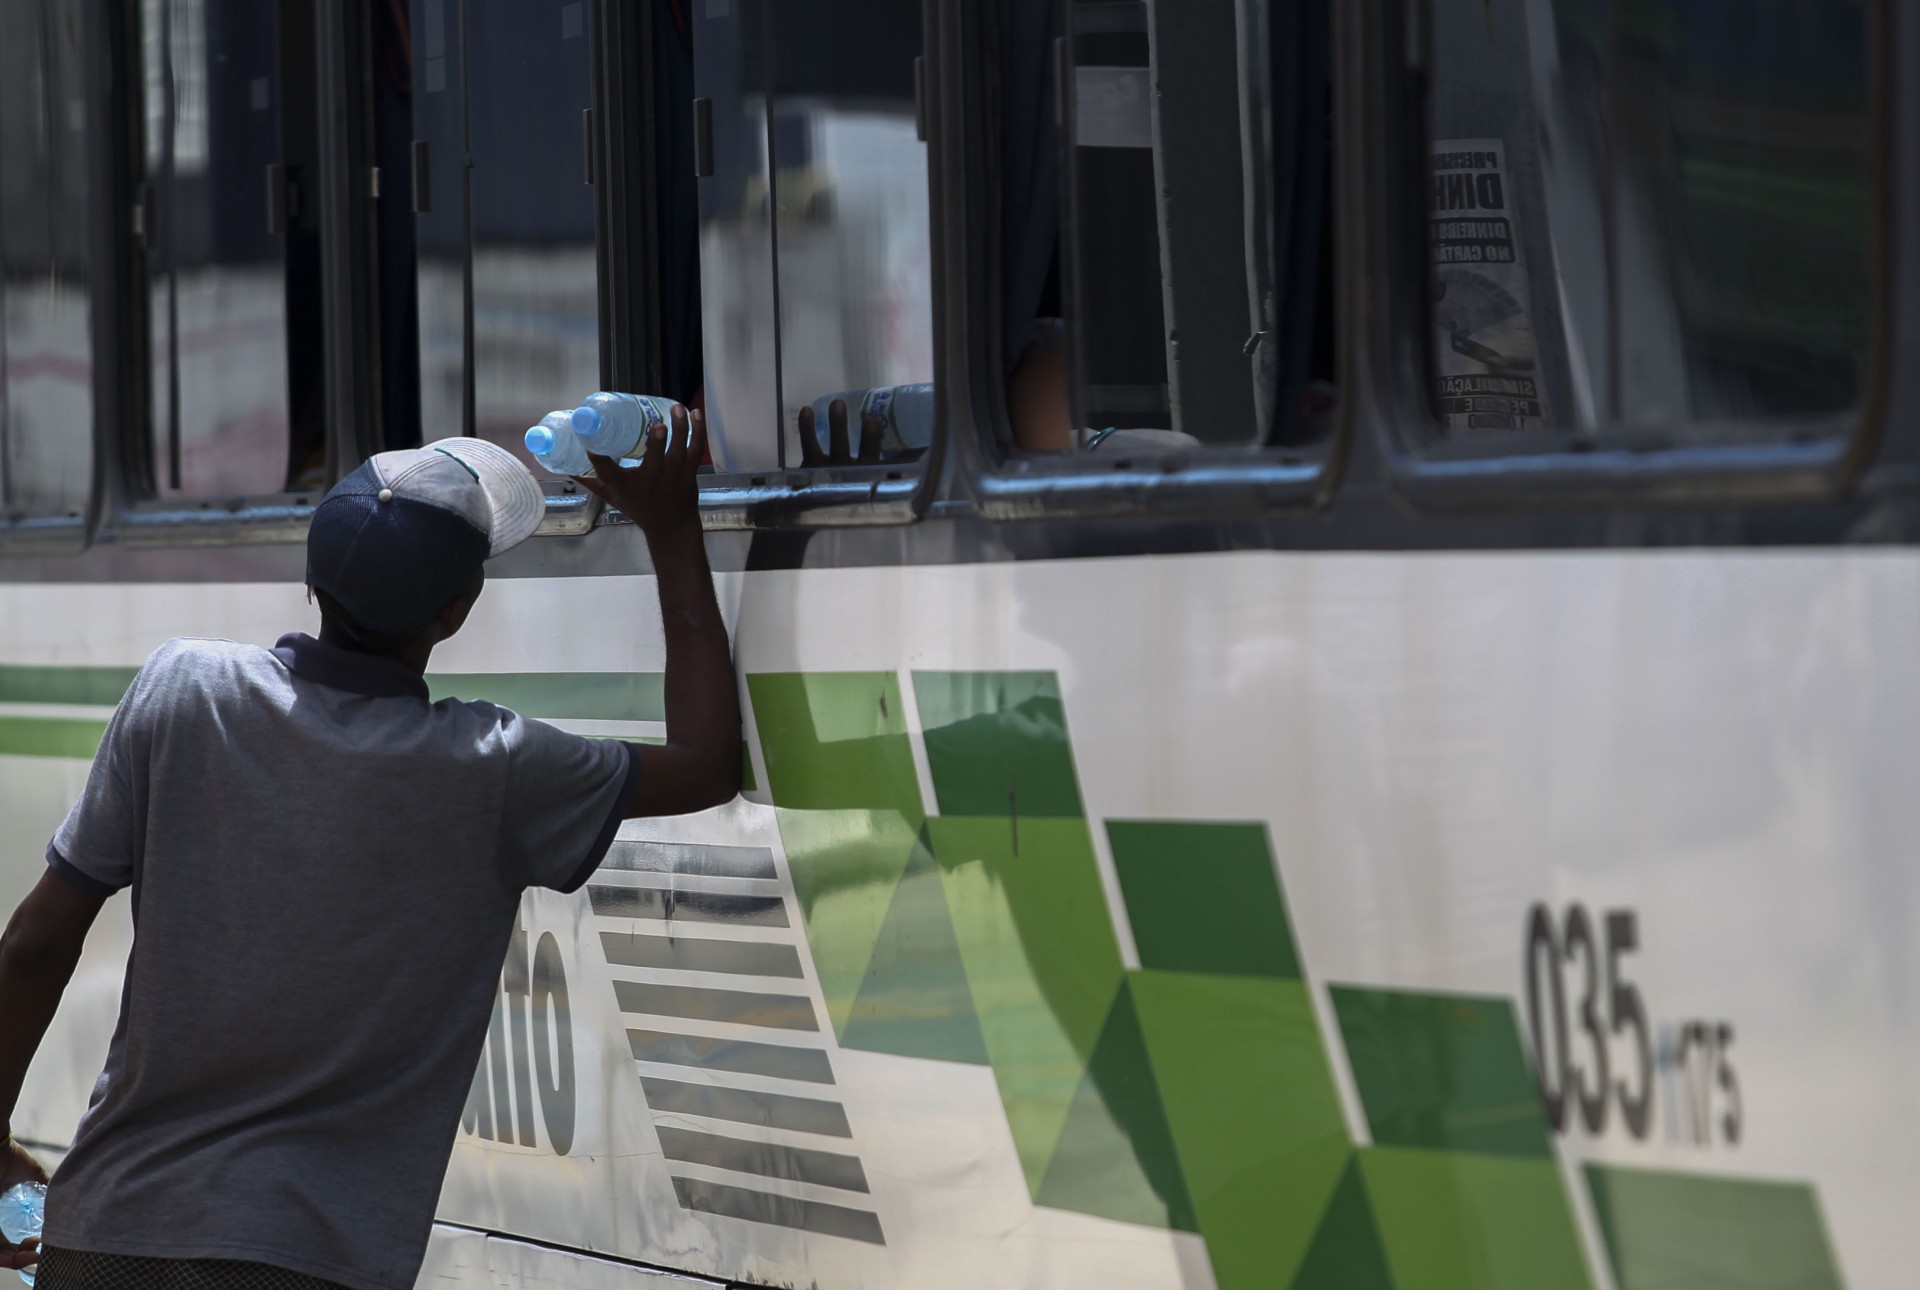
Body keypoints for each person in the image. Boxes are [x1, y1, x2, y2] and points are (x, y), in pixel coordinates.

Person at [0, 407, 738, 1290]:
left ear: (312, 580)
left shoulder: (180, 690)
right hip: (313, 1262)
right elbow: (705, 764)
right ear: (456, 612)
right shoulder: (491, 768)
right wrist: (673, 525)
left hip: (111, 1239)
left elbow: (36, 946)